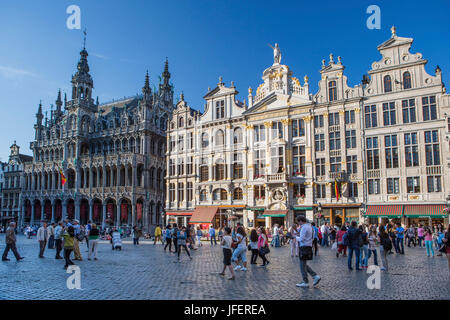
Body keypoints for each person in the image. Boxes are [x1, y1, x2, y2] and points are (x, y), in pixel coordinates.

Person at [296, 216, 321, 288]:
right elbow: (311, 237)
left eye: (298, 222)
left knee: (302, 265)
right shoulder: (311, 227)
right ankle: (315, 276)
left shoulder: (304, 227)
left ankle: (305, 281)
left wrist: (294, 237)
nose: (298, 223)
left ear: (300, 221)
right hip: (309, 246)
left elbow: (301, 239)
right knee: (304, 264)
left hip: (304, 247)